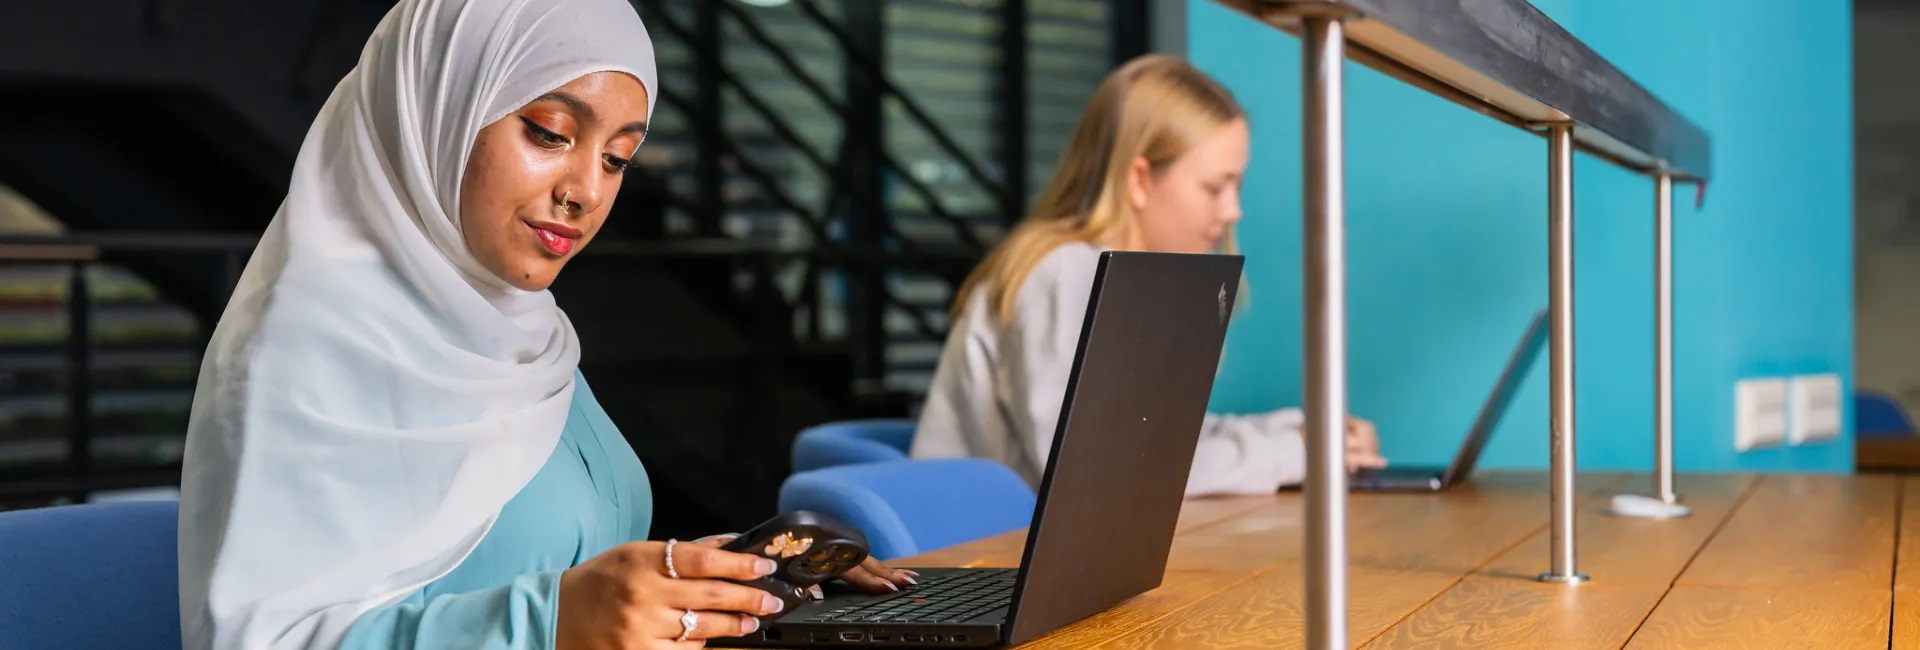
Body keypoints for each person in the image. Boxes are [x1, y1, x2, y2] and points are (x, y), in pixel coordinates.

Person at [174, 1, 911, 648]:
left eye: (619, 157)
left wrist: (719, 581)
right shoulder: (300, 352)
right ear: (437, 109)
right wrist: (551, 622)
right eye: (551, 132)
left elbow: (542, 568)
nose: (586, 191)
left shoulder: (523, 333)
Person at [909, 55, 1388, 498]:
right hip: (982, 562)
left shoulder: (1135, 281)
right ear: (1139, 180)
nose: (1232, 210)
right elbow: (1101, 470)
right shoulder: (1064, 274)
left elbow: (1160, 440)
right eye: (1215, 187)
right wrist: (1293, 455)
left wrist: (1300, 432)